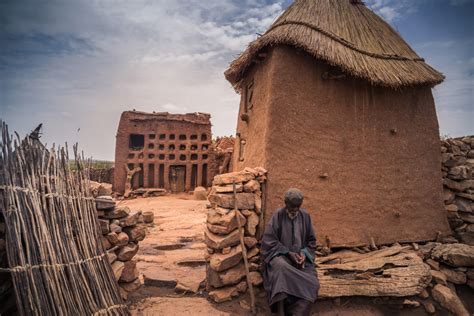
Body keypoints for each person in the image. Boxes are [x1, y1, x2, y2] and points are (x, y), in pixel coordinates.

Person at [261, 188, 319, 315]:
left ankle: (297, 313)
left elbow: (312, 242)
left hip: (300, 261)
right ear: (285, 204)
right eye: (292, 207)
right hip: (281, 257)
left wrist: (304, 254)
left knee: (312, 282)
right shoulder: (278, 215)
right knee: (280, 270)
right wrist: (287, 253)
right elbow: (269, 241)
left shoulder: (305, 217)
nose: (294, 210)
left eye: (297, 207)